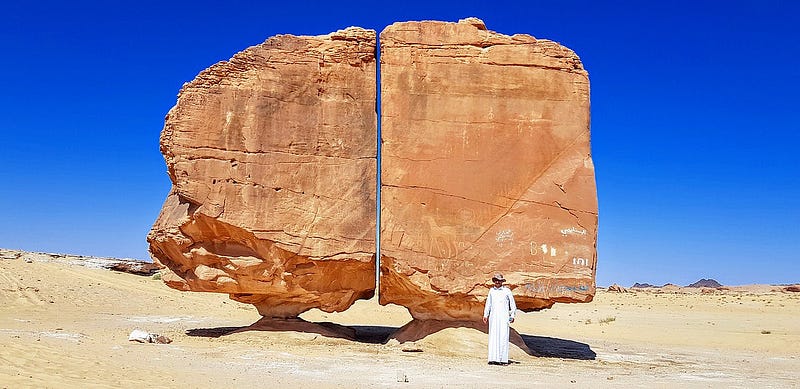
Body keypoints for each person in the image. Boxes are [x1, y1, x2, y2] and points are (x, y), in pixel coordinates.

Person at [482, 273, 516, 365]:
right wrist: (486, 315)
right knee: (493, 336)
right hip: (493, 317)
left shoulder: (507, 291)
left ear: (502, 282)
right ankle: (493, 358)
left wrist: (512, 315)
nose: (497, 282)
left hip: (504, 317)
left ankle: (502, 359)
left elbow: (512, 304)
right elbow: (488, 303)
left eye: (499, 280)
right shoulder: (491, 291)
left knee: (503, 336)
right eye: (496, 280)